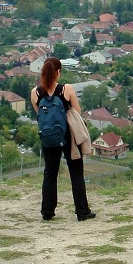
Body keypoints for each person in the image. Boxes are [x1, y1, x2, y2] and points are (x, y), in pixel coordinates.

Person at [30, 57, 96, 221]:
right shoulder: (66, 89)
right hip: (68, 135)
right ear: (58, 72)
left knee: (50, 173)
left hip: (48, 136)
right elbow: (77, 112)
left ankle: (47, 211)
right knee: (76, 173)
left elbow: (39, 114)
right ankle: (82, 211)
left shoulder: (35, 92)